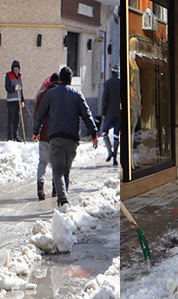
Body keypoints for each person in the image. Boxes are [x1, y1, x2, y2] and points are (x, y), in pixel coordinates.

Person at [32, 66, 98, 207]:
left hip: (55, 137)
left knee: (57, 171)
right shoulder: (77, 94)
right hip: (72, 139)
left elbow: (40, 114)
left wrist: (36, 131)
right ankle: (64, 200)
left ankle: (63, 201)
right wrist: (94, 133)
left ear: (60, 79)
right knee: (66, 171)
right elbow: (87, 114)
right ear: (71, 80)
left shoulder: (50, 94)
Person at [34, 73, 60, 200]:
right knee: (55, 163)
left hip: (43, 135)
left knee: (42, 162)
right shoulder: (60, 96)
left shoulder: (41, 95)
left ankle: (40, 185)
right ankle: (55, 188)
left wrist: (36, 132)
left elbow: (37, 116)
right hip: (56, 136)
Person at [100, 65, 122, 166]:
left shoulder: (108, 83)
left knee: (104, 132)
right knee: (116, 135)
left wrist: (103, 112)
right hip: (119, 113)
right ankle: (115, 158)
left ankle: (110, 152)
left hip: (109, 113)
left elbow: (104, 98)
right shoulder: (121, 83)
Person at [5, 60, 24, 141]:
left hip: (18, 101)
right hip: (11, 101)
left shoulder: (19, 77)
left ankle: (15, 136)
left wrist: (22, 100)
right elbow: (7, 87)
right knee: (11, 120)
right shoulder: (8, 75)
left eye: (17, 68)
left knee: (17, 120)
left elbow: (21, 90)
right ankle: (10, 137)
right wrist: (13, 88)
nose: (16, 69)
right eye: (15, 68)